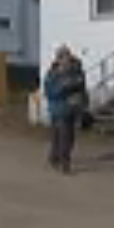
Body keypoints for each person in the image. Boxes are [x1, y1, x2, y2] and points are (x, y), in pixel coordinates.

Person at [44, 46, 88, 174]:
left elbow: (82, 89)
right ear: (58, 59)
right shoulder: (52, 73)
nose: (64, 60)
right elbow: (49, 92)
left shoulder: (77, 71)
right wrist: (63, 87)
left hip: (72, 109)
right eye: (61, 57)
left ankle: (57, 158)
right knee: (59, 137)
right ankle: (62, 162)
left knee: (68, 137)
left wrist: (84, 104)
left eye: (66, 56)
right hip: (57, 109)